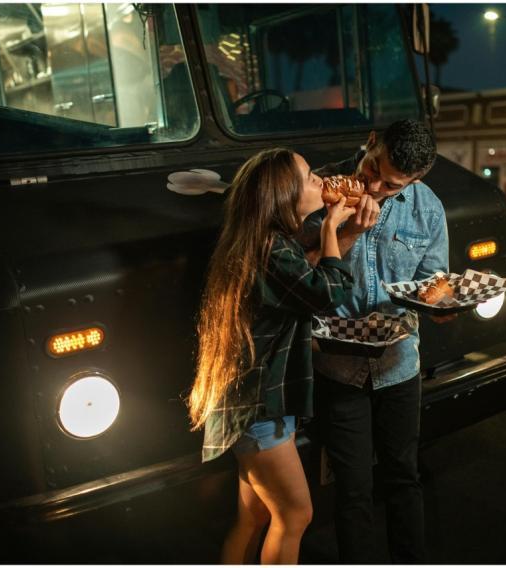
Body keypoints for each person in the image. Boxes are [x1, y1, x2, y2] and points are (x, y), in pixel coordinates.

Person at [188, 148, 356, 564]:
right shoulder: (269, 249)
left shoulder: (266, 242)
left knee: (257, 516)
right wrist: (334, 226)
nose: (321, 180)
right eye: (309, 177)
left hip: (252, 403)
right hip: (258, 408)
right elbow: (326, 292)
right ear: (284, 195)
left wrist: (337, 230)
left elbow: (308, 278)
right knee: (296, 514)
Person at [302, 119, 449, 563]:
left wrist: (442, 306)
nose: (376, 186)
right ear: (370, 142)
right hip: (338, 363)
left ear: (416, 180)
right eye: (374, 170)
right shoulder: (320, 188)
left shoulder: (428, 210)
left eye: (393, 184)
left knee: (404, 476)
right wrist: (347, 233)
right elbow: (298, 275)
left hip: (399, 362)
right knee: (353, 489)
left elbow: (433, 283)